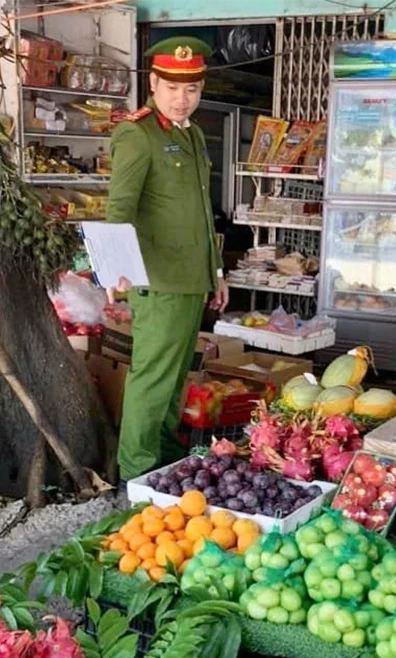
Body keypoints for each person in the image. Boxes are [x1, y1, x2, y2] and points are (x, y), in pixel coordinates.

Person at [107, 36, 229, 481]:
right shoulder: (137, 134)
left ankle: (161, 462)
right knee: (153, 379)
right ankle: (134, 472)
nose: (183, 99)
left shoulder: (192, 135)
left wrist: (215, 271)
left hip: (190, 278)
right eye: (174, 88)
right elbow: (118, 207)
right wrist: (113, 269)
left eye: (193, 89)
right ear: (154, 83)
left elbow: (199, 210)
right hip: (157, 279)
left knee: (175, 379)